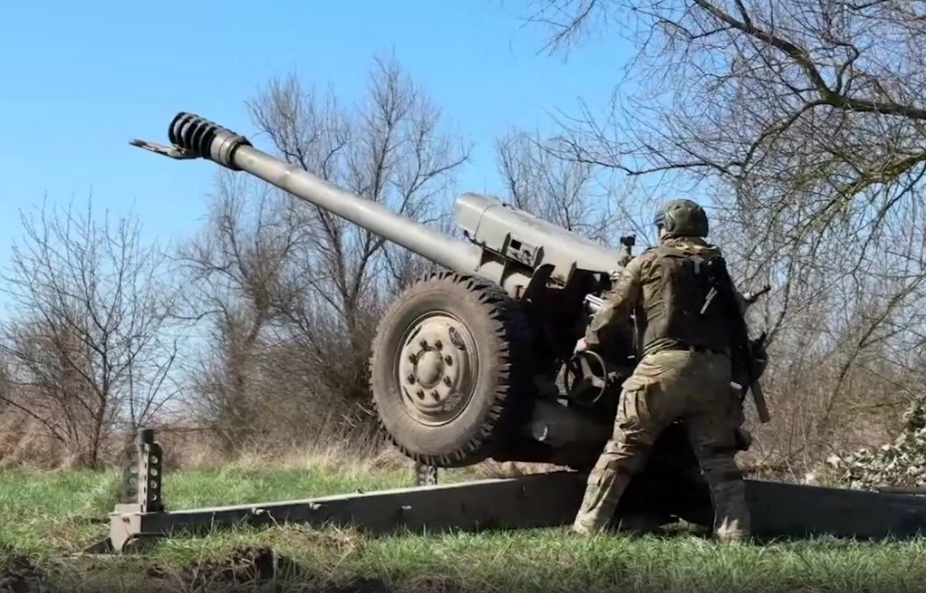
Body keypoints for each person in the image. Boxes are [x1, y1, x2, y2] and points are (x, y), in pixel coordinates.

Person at [571, 198, 751, 543]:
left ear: (666, 227)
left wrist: (589, 341)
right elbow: (737, 317)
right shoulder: (716, 267)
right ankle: (735, 535)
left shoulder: (649, 260)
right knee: (719, 459)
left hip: (663, 367)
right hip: (716, 371)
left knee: (623, 450)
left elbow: (614, 309)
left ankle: (587, 530)